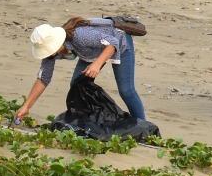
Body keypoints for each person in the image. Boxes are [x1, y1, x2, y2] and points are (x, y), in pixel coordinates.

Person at [17, 17, 147, 124]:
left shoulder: (80, 36)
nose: (49, 54)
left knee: (126, 90)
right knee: (77, 85)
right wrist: (26, 106)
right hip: (91, 51)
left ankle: (143, 126)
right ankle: (86, 120)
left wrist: (97, 64)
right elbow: (43, 79)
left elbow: (112, 43)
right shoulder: (51, 54)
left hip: (119, 42)